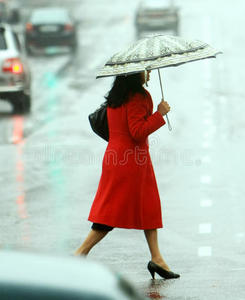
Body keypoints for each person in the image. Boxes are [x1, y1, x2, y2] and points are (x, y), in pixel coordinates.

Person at [75, 70, 179, 280]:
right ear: (134, 74)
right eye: (145, 70)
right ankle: (79, 253)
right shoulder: (139, 96)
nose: (148, 73)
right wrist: (160, 114)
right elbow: (137, 131)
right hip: (131, 161)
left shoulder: (116, 96)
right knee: (110, 212)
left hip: (116, 157)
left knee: (148, 207)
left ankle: (157, 257)